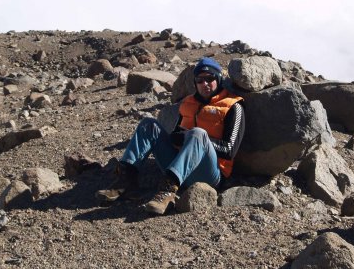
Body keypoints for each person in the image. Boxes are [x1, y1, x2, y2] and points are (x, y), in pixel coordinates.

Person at [96, 57, 245, 215]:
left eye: (210, 78)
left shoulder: (233, 106)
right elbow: (175, 134)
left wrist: (194, 138)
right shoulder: (188, 102)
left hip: (209, 174)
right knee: (148, 124)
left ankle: (168, 191)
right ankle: (125, 182)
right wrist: (179, 137)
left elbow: (230, 150)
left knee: (198, 134)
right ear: (195, 82)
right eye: (200, 80)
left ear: (218, 79)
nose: (205, 84)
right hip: (180, 164)